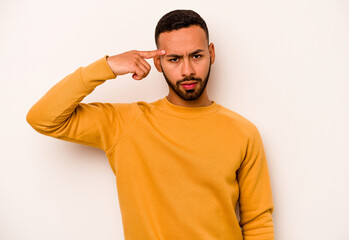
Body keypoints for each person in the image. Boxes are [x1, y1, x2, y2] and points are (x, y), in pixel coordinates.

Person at [26, 9, 274, 240]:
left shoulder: (244, 132)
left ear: (212, 53)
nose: (187, 70)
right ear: (158, 63)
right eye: (174, 59)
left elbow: (257, 222)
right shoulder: (125, 123)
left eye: (196, 56)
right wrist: (107, 66)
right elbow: (43, 118)